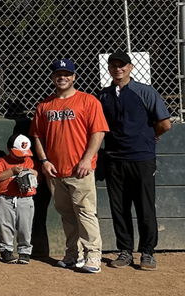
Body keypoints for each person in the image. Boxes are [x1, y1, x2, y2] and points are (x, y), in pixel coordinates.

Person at [31, 59, 108, 274]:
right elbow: (37, 136)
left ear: (74, 76)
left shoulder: (88, 101)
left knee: (85, 212)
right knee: (66, 215)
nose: (62, 77)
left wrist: (87, 159)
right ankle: (73, 254)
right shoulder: (45, 105)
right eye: (58, 74)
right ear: (53, 77)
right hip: (55, 171)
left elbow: (98, 132)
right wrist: (44, 161)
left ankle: (93, 256)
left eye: (67, 74)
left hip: (80, 169)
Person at [98, 51, 171, 271]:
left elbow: (165, 124)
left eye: (122, 65)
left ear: (130, 67)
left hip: (141, 158)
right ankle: (125, 251)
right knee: (119, 208)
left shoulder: (145, 92)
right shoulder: (104, 95)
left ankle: (147, 253)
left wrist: (148, 138)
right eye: (114, 65)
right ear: (109, 69)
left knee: (144, 207)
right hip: (113, 159)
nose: (118, 69)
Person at [0, 134, 38, 265]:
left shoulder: (28, 160)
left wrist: (30, 172)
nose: (21, 156)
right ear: (9, 149)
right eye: (17, 153)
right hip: (6, 197)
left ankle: (25, 251)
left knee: (25, 226)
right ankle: (6, 250)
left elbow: (36, 173)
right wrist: (12, 171)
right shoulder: (2, 161)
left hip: (25, 198)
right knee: (5, 225)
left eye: (23, 153)